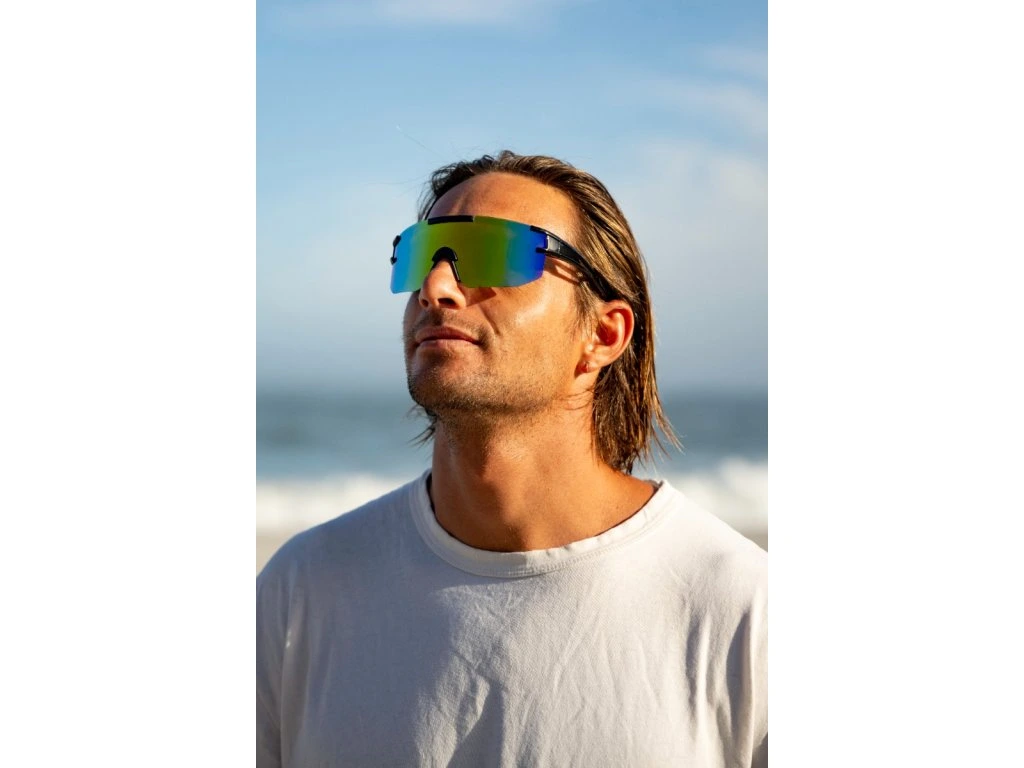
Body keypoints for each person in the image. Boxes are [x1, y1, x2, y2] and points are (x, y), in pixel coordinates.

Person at [256, 151, 768, 767]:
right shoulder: (300, 591)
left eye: (494, 254)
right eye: (421, 256)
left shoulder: (743, 610)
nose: (436, 288)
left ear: (603, 334)